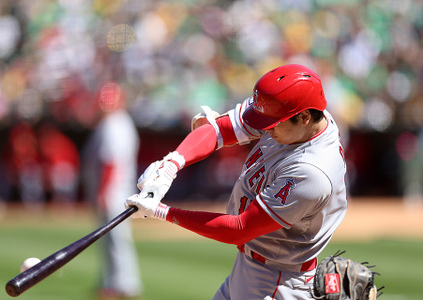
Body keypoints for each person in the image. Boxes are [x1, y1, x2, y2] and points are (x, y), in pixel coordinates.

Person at [126, 64, 348, 299]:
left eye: (273, 124)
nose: (265, 129)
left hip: (278, 282)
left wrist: (162, 211)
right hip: (254, 267)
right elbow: (220, 130)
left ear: (304, 118)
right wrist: (171, 165)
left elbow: (240, 229)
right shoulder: (299, 113)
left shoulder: (312, 172)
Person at [81, 82, 142, 299]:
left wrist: (103, 191)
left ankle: (125, 284)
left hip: (114, 192)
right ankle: (111, 281)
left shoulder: (116, 124)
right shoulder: (111, 123)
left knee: (117, 238)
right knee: (108, 239)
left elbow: (111, 162)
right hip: (113, 191)